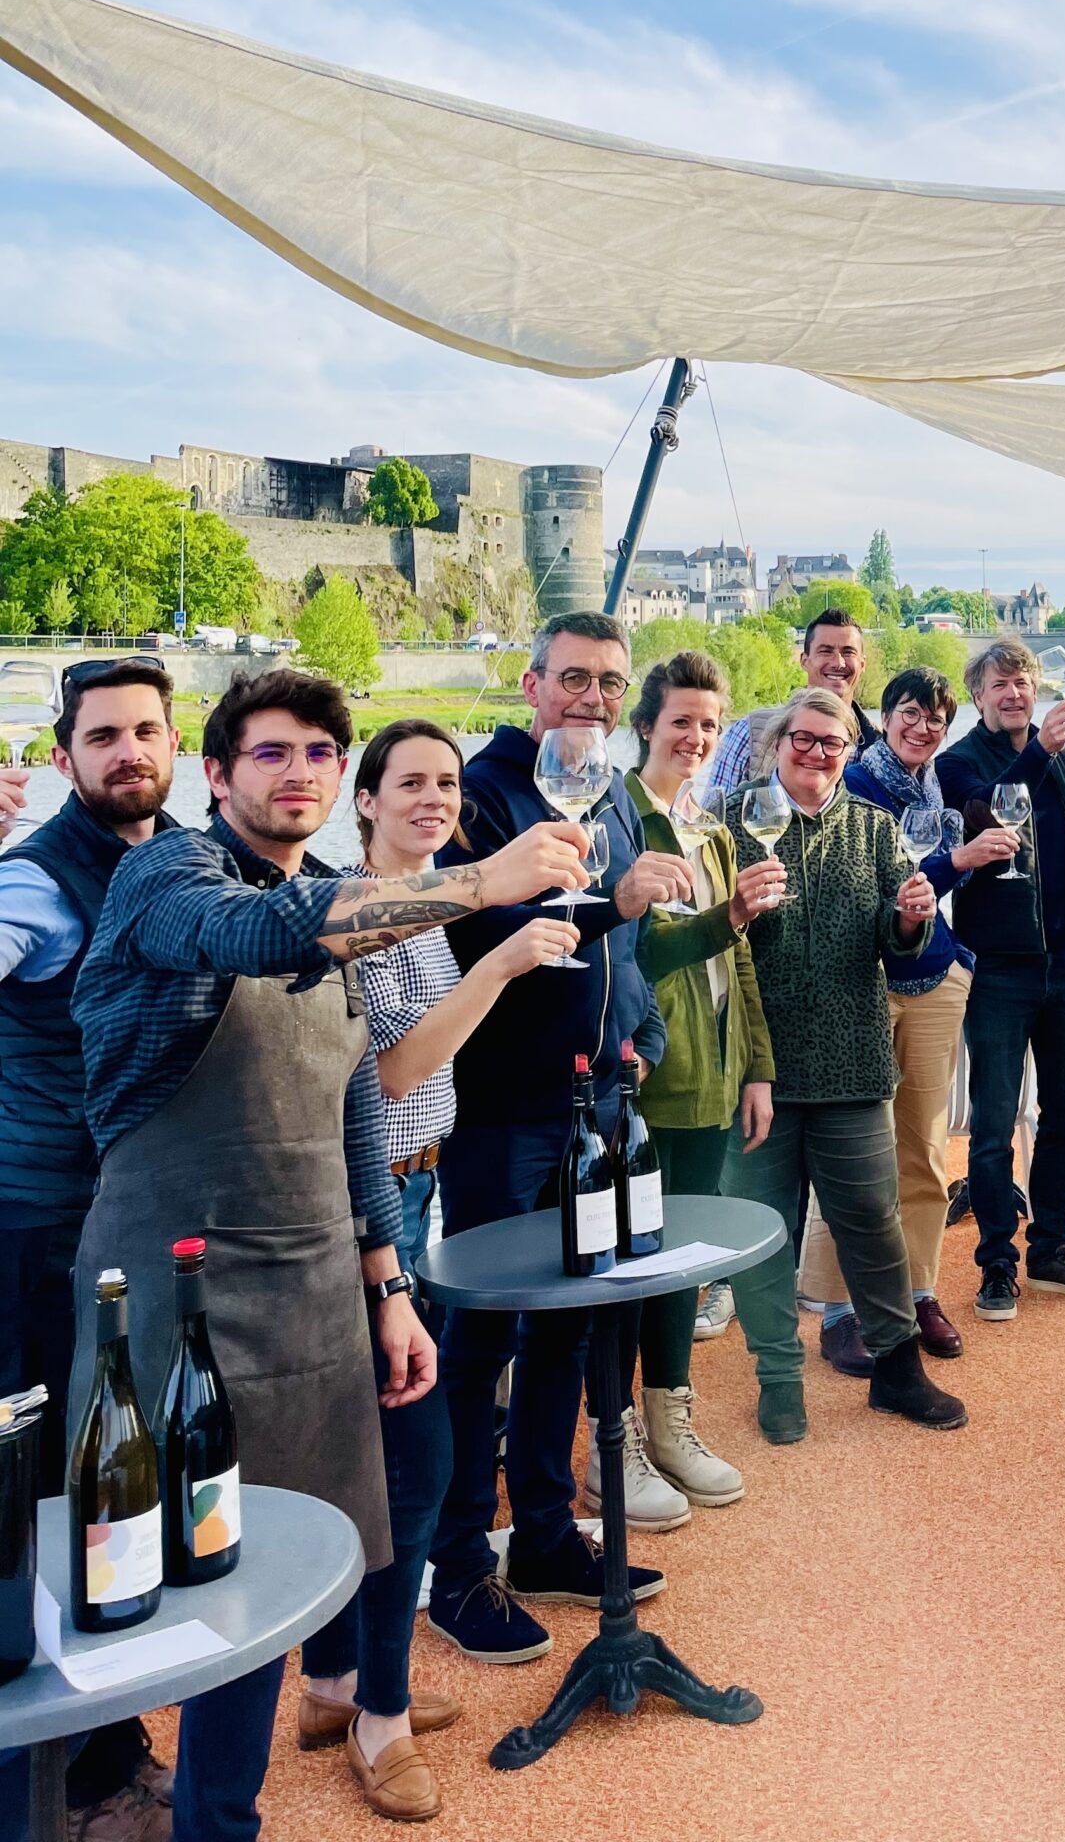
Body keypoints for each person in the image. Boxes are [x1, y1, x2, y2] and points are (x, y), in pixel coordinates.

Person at [69, 667, 589, 1842]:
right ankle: (154, 1805)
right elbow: (248, 932)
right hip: (173, 1287)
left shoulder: (338, 898)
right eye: (271, 753)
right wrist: (478, 885)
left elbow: (357, 1100)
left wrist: (389, 1280)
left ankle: (288, 1753)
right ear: (216, 774)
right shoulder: (168, 873)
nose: (299, 772)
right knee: (186, 1578)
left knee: (333, 1534)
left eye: (317, 752)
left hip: (318, 1281)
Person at [298, 719, 579, 1822]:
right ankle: (381, 1710)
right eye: (408, 781)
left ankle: (334, 1684)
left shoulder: (424, 902)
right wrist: (508, 957)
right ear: (362, 800)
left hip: (415, 1186)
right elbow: (401, 1061)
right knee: (400, 1454)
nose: (434, 797)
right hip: (366, 1205)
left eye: (449, 783)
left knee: (368, 1440)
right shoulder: (362, 911)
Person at [426, 612, 686, 1665]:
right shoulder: (481, 793)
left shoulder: (609, 782)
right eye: (573, 678)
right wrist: (613, 906)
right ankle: (454, 1567)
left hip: (594, 1100)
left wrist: (636, 1031)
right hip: (501, 1101)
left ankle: (540, 1535)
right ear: (530, 682)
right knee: (482, 1336)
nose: (592, 698)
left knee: (571, 1326)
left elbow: (619, 940)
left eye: (610, 683)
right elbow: (472, 933)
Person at [0, 661, 180, 1840]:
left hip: (126, 1224)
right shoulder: (34, 880)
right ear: (64, 754)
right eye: (102, 734)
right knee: (34, 1495)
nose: (127, 752)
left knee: (114, 1478)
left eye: (145, 730)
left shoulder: (174, 862)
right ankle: (62, 1773)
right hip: (33, 1230)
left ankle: (106, 1738)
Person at [719, 688, 965, 1437]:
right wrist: (732, 907)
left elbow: (897, 948)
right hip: (757, 1071)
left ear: (850, 752)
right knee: (763, 1231)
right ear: (776, 742)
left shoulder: (875, 828)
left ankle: (896, 1371)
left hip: (854, 1062)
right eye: (805, 738)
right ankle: (778, 1379)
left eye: (833, 742)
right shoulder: (729, 825)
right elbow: (713, 948)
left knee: (871, 1220)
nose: (818, 753)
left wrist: (910, 919)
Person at [805, 664, 1015, 1368]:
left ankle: (919, 1291)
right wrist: (961, 856)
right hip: (865, 982)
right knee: (850, 1153)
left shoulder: (935, 785)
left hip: (933, 977)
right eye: (910, 713)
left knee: (923, 1150)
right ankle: (840, 1308)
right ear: (885, 715)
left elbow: (928, 883)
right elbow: (893, 881)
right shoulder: (854, 783)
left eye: (936, 718)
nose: (923, 727)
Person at [623, 651, 783, 1513]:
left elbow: (740, 960)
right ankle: (618, 1441)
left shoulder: (715, 831)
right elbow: (642, 953)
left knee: (683, 1260)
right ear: (646, 724)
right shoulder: (620, 818)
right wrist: (730, 916)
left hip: (717, 1077)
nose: (694, 736)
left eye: (709, 724)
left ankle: (670, 1421)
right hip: (652, 1081)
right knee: (629, 1264)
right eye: (680, 719)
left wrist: (757, 1065)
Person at [937, 639, 1065, 1320]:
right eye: (1000, 684)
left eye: (1023, 681)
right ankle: (995, 1264)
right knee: (990, 1125)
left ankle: (1050, 1249)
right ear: (978, 696)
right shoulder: (956, 763)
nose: (1014, 692)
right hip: (1000, 971)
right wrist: (1038, 749)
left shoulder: (1063, 755)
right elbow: (984, 813)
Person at [708, 608, 878, 791]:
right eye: (825, 651)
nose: (838, 663)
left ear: (862, 664)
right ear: (804, 661)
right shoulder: (751, 731)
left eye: (848, 652)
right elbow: (715, 811)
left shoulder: (880, 747)